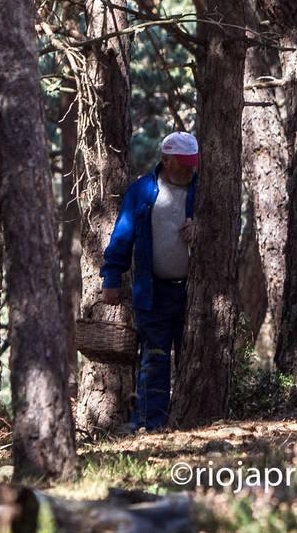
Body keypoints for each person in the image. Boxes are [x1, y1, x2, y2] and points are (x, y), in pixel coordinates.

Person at [100, 131, 200, 431]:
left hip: (192, 293)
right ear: (167, 161)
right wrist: (111, 277)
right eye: (183, 163)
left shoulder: (203, 190)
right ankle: (149, 422)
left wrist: (202, 228)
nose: (189, 168)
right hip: (152, 291)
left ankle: (190, 420)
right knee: (154, 358)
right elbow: (122, 235)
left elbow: (225, 227)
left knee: (192, 356)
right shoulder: (142, 191)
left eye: (192, 162)